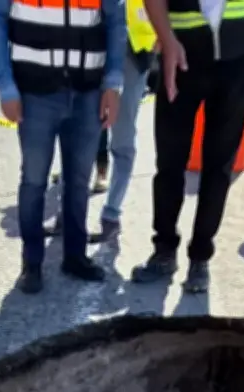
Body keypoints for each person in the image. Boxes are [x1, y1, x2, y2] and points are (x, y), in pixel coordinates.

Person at [132, 0, 244, 294]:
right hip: (182, 52)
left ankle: (200, 258)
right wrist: (167, 38)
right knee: (170, 160)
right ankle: (164, 251)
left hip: (238, 55)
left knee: (219, 165)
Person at [0, 0, 127, 294]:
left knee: (79, 180)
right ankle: (32, 262)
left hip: (88, 90)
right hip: (35, 92)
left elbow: (115, 21)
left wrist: (113, 83)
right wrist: (5, 86)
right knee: (34, 180)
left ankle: (75, 256)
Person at [46, 0, 159, 242]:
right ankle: (67, 213)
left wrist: (165, 33)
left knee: (122, 140)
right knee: (76, 136)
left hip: (133, 51)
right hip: (90, 43)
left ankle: (111, 215)